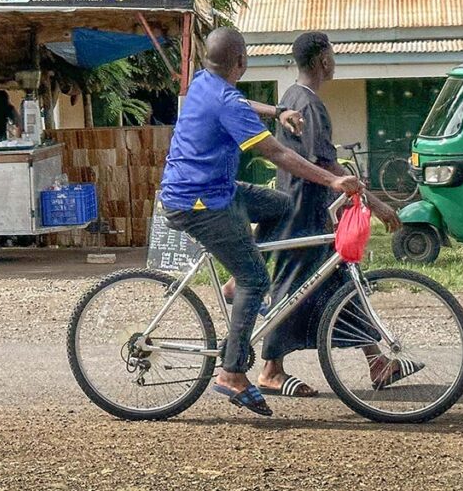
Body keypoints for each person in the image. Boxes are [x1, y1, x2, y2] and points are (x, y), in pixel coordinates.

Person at [160, 27, 361, 417]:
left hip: (212, 189)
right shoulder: (226, 102)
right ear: (241, 62)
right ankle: (232, 374)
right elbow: (278, 155)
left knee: (280, 205)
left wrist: (277, 111)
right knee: (258, 280)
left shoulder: (206, 82)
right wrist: (334, 180)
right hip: (199, 203)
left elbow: (240, 101)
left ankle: (236, 281)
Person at [257, 32, 419, 398]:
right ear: (322, 61)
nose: (335, 59)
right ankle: (270, 370)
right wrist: (374, 203)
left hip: (310, 207)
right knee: (295, 288)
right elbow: (325, 161)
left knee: (341, 283)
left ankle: (377, 360)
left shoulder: (292, 97)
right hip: (303, 210)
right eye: (332, 53)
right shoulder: (309, 104)